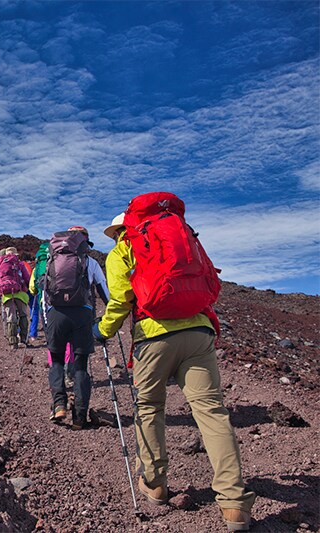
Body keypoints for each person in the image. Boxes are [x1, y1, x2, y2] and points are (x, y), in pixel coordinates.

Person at [94, 210, 255, 531]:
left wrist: (104, 329)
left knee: (150, 408)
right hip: (199, 330)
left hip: (154, 336)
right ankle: (234, 503)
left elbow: (122, 298)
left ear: (118, 232)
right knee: (211, 411)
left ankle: (155, 483)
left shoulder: (120, 252)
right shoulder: (175, 242)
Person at [44, 227, 109, 429]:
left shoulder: (52, 259)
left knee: (56, 360)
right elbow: (104, 291)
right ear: (84, 241)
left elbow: (45, 292)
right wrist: (109, 318)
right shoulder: (91, 262)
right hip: (82, 314)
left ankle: (59, 405)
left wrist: (48, 319)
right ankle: (80, 417)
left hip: (56, 314)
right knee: (80, 365)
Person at [0, 247, 31, 349]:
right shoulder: (20, 264)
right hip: (20, 294)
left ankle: (13, 343)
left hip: (7, 295)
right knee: (23, 316)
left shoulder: (1, 265)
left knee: (11, 317)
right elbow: (27, 278)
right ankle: (24, 340)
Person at [27, 242, 49, 343]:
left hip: (43, 298)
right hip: (63, 300)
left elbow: (32, 287)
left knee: (36, 312)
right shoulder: (60, 262)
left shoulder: (38, 267)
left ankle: (35, 336)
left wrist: (34, 291)